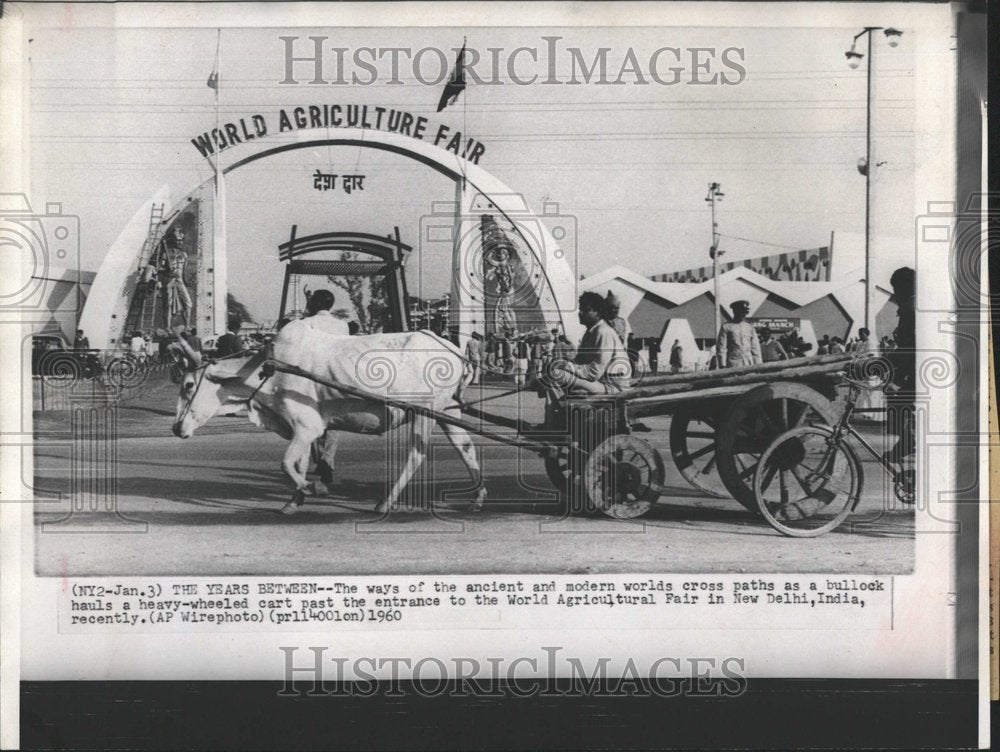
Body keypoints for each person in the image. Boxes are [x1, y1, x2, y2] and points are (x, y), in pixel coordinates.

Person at [544, 292, 630, 395]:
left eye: (586, 310)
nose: (580, 313)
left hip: (613, 387)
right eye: (580, 309)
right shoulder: (590, 333)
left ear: (597, 312)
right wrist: (563, 363)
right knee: (551, 374)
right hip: (600, 382)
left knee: (556, 374)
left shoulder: (603, 332)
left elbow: (594, 373)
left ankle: (560, 405)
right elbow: (580, 361)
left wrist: (566, 365)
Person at [884, 267, 916, 470]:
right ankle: (907, 441)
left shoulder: (910, 307)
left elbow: (909, 345)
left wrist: (894, 371)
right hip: (916, 365)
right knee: (902, 403)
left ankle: (908, 442)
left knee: (902, 402)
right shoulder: (913, 304)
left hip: (917, 366)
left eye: (895, 287)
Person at [716, 300, 762, 368]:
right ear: (734, 312)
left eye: (745, 313)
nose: (743, 315)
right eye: (740, 312)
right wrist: (722, 364)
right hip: (733, 362)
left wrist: (758, 364)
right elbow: (722, 348)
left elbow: (755, 348)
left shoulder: (749, 327)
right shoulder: (726, 327)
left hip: (749, 363)